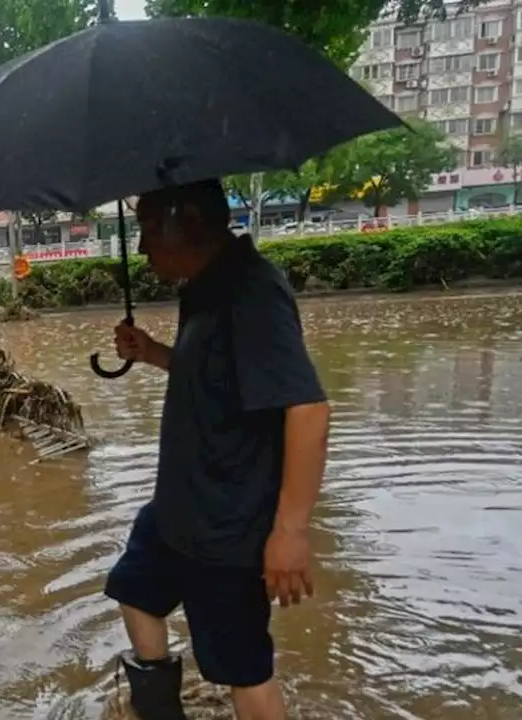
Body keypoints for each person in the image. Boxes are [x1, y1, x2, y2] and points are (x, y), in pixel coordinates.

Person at [104, 179, 331, 720]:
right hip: (178, 509)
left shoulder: (252, 290)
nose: (142, 250)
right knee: (134, 592)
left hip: (227, 527)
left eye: (150, 232)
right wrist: (156, 353)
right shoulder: (204, 286)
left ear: (194, 224)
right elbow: (220, 376)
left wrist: (290, 533)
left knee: (242, 671)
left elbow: (308, 409)